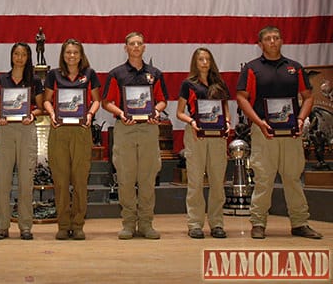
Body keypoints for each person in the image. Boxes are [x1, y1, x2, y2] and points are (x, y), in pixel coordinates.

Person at [236, 26, 322, 240]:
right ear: (260, 44)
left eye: (276, 38)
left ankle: (300, 222)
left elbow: (308, 97)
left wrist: (301, 119)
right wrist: (259, 122)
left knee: (293, 179)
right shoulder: (252, 68)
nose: (272, 41)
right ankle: (258, 223)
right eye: (268, 38)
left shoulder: (295, 68)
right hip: (264, 132)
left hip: (291, 133)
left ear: (281, 41)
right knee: (263, 179)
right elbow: (241, 97)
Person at [101, 32, 168, 240]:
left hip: (148, 129)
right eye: (132, 44)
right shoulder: (116, 74)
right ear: (126, 48)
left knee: (147, 177)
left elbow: (162, 100)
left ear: (144, 47)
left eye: (139, 43)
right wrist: (120, 113)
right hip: (125, 128)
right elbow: (106, 102)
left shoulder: (155, 74)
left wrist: (156, 111)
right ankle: (129, 222)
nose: (136, 47)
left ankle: (146, 223)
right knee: (126, 178)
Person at [43, 39, 101, 240]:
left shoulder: (90, 74)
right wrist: (51, 115)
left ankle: (77, 225)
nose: (72, 56)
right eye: (68, 52)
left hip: (81, 131)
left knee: (79, 180)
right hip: (59, 131)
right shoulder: (54, 75)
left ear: (81, 54)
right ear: (63, 54)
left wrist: (90, 115)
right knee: (60, 180)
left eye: (75, 52)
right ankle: (63, 224)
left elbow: (96, 101)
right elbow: (46, 101)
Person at [176, 48, 231, 239]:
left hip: (217, 137)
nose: (205, 62)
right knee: (195, 181)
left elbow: (225, 109)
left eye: (207, 58)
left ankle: (217, 223)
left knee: (217, 181)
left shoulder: (220, 83)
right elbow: (180, 112)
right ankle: (195, 224)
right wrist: (192, 121)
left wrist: (227, 123)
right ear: (195, 62)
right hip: (195, 134)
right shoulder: (188, 84)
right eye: (201, 59)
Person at [0, 42, 44, 240]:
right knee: (3, 180)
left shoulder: (35, 81)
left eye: (23, 54)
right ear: (11, 56)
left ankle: (25, 226)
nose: (19, 57)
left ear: (28, 57)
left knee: (25, 180)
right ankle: (2, 226)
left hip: (26, 130)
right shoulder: (1, 80)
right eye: (16, 53)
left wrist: (31, 115)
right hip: (5, 130)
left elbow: (40, 108)